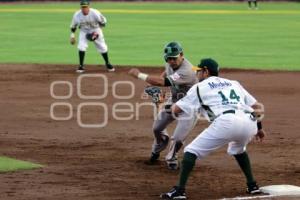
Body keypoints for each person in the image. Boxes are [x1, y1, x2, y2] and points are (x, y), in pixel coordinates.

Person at [160, 58, 266, 199]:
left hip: (226, 122)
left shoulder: (199, 87)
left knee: (190, 152)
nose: (197, 74)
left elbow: (176, 110)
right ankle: (252, 186)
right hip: (249, 122)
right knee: (238, 150)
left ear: (206, 71)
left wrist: (161, 104)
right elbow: (257, 106)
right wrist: (259, 128)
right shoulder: (234, 83)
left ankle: (180, 191)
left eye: (199, 71)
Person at [128, 42, 198, 170]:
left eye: (174, 58)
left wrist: (140, 75)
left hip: (190, 106)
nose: (171, 61)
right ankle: (158, 148)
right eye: (168, 58)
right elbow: (166, 72)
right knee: (157, 128)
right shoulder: (170, 62)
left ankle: (172, 158)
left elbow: (163, 82)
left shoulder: (187, 71)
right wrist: (156, 81)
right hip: (175, 100)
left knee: (178, 137)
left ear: (181, 55)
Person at [70, 0, 115, 73]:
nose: (84, 9)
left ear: (88, 7)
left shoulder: (95, 13)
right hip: (84, 31)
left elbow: (103, 23)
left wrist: (96, 33)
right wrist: (72, 36)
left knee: (102, 47)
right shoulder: (77, 15)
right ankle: (81, 66)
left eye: (86, 7)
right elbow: (73, 26)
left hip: (96, 29)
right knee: (81, 46)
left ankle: (108, 63)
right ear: (81, 8)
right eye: (83, 7)